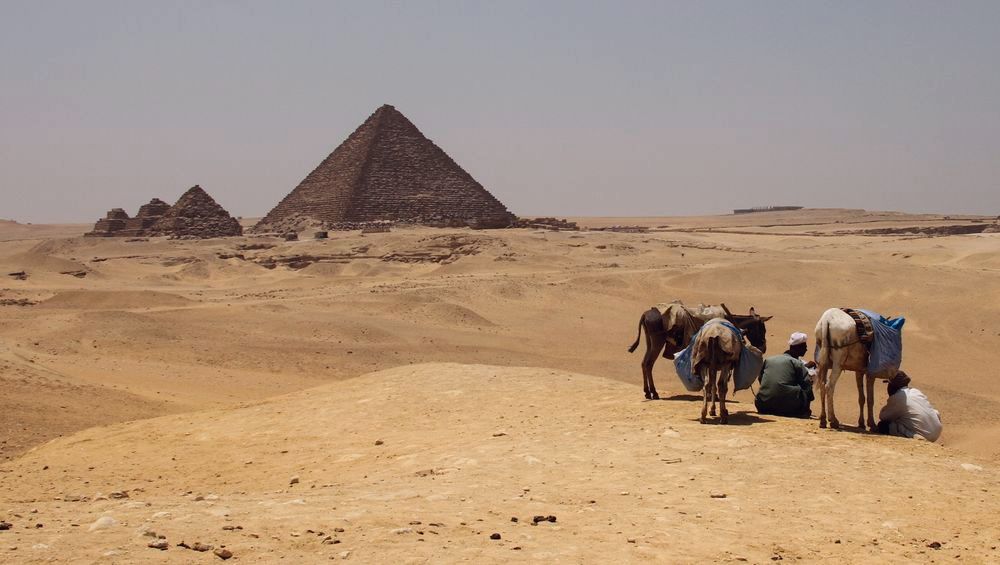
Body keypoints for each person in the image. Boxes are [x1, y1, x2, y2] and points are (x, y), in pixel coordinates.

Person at [754, 332, 816, 417]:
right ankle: (804, 411)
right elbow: (806, 385)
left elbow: (761, 379)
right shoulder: (797, 363)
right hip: (787, 408)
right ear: (799, 347)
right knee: (808, 382)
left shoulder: (769, 360)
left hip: (762, 405)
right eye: (804, 347)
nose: (806, 349)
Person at [876, 371, 942, 441]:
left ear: (892, 386)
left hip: (925, 435)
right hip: (937, 432)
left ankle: (915, 436)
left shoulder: (897, 398)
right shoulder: (916, 391)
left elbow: (883, 416)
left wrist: (890, 403)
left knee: (883, 426)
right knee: (933, 412)